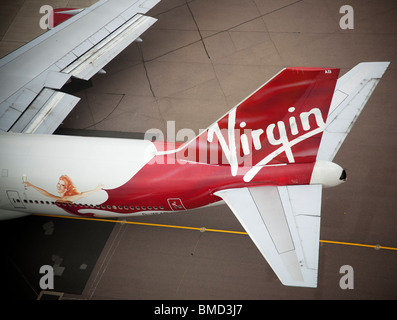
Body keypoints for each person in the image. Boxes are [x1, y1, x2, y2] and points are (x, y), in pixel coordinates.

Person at [24, 175, 103, 203]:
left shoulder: (66, 198)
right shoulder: (62, 197)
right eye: (58, 183)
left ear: (66, 188)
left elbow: (81, 195)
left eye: (62, 185)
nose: (59, 186)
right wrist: (32, 185)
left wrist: (95, 190)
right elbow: (47, 194)